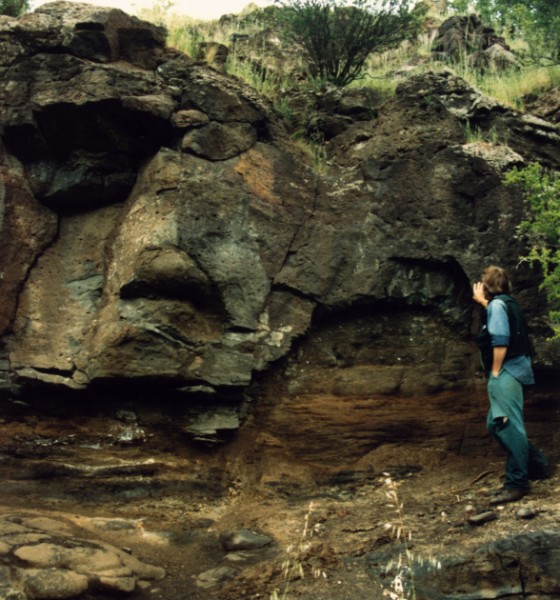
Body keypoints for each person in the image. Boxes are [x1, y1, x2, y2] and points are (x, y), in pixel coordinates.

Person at [473, 265, 549, 504]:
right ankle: (537, 465)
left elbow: (501, 340)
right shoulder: (508, 303)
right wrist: (484, 304)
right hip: (518, 370)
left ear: (485, 286)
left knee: (507, 425)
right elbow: (501, 321)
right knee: (495, 424)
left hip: (507, 372)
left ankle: (517, 483)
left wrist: (495, 371)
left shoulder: (497, 305)